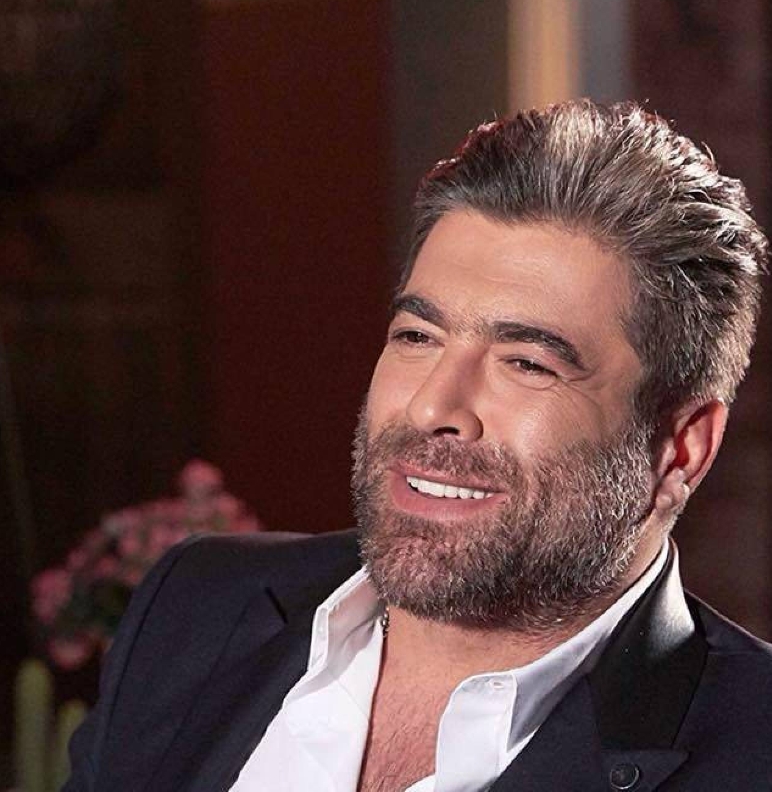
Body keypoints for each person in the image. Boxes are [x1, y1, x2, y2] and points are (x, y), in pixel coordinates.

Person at [64, 100, 772, 792]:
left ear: (680, 448)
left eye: (527, 363)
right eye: (417, 336)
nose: (434, 406)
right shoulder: (197, 606)